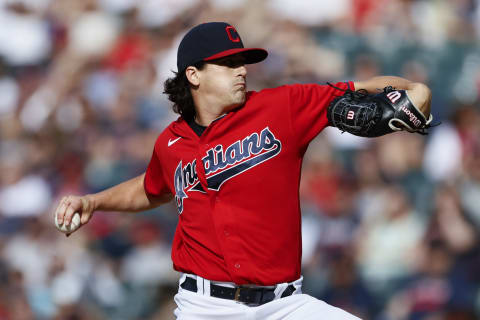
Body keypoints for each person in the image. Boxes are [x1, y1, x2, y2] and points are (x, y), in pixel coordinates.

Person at [54, 22, 433, 319]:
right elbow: (154, 188)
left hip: (285, 305)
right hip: (205, 307)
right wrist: (94, 201)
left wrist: (416, 93)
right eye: (229, 63)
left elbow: (372, 88)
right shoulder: (170, 143)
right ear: (194, 75)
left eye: (243, 63)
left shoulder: (283, 106)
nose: (242, 72)